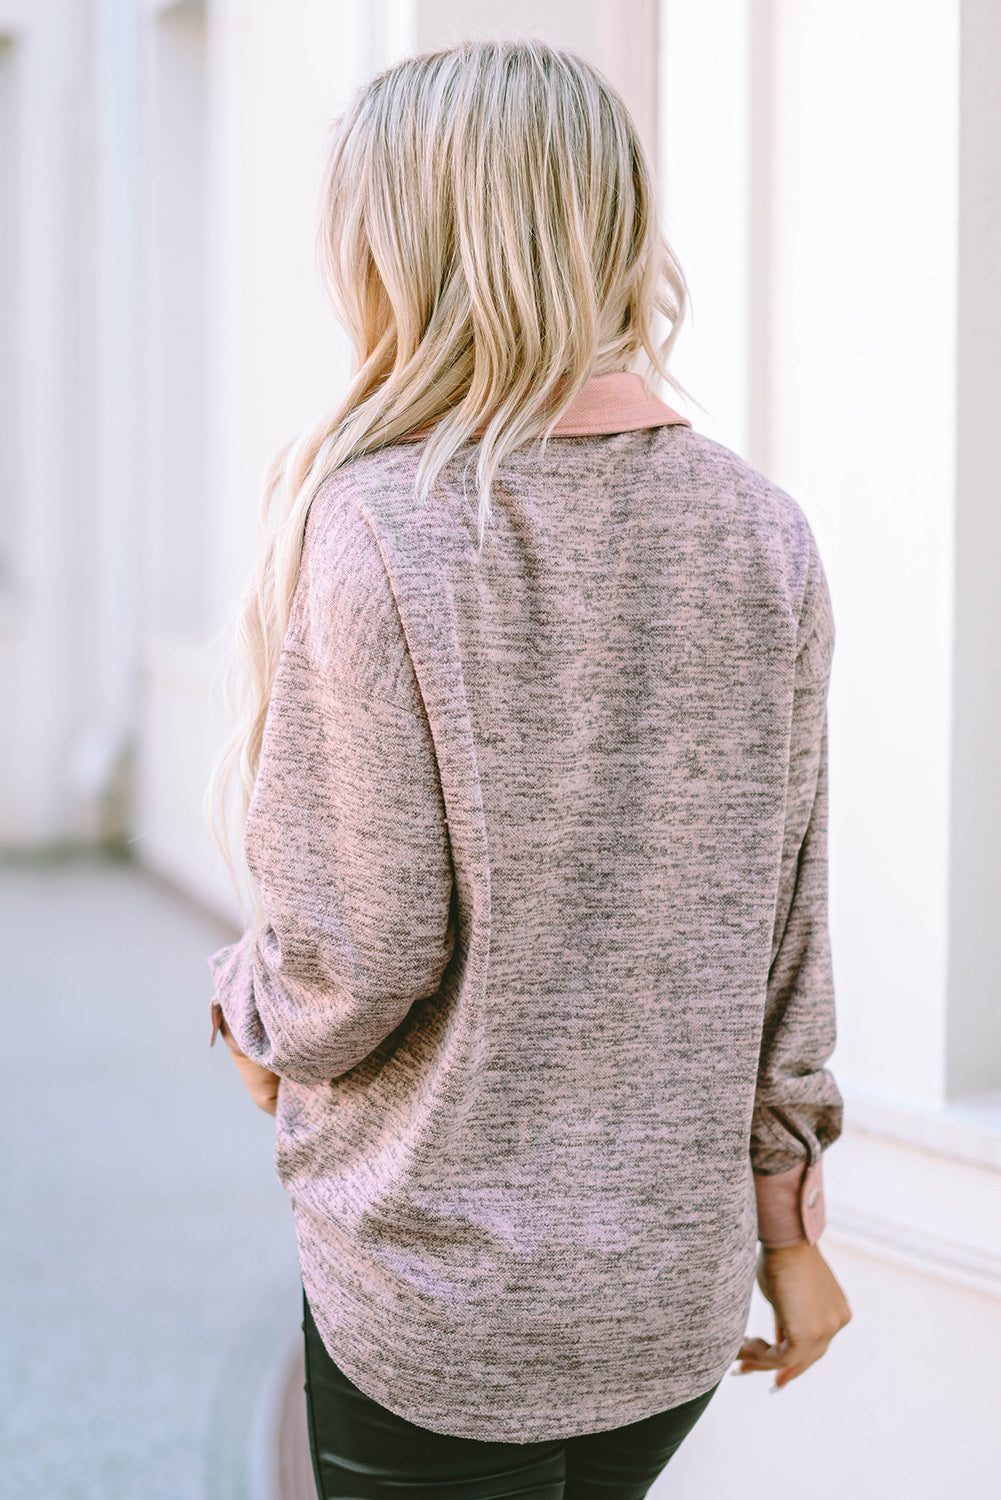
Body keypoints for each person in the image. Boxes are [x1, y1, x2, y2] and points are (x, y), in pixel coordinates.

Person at [204, 35, 852, 1500]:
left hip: (436, 1310)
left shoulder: (377, 528)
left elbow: (349, 960)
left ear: (405, 249)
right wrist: (788, 1231)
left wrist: (242, 1004)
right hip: (668, 1305)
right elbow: (785, 939)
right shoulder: (762, 531)